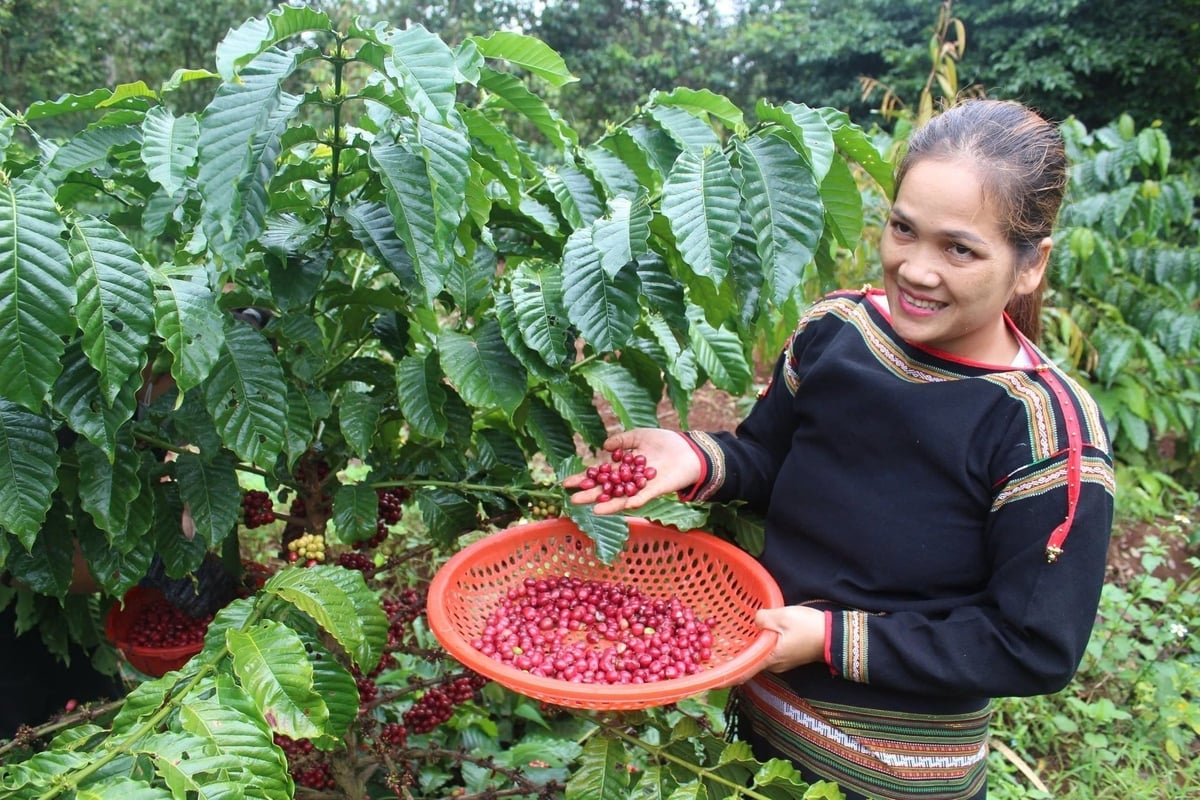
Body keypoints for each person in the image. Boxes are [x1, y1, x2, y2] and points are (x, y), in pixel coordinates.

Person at [564, 99, 1115, 800]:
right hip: (754, 741)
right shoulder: (838, 331)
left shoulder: (1046, 432)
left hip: (892, 778)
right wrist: (696, 458)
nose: (915, 269)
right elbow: (770, 461)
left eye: (959, 249)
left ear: (1030, 266)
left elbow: (1033, 643)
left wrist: (832, 640)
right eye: (902, 229)